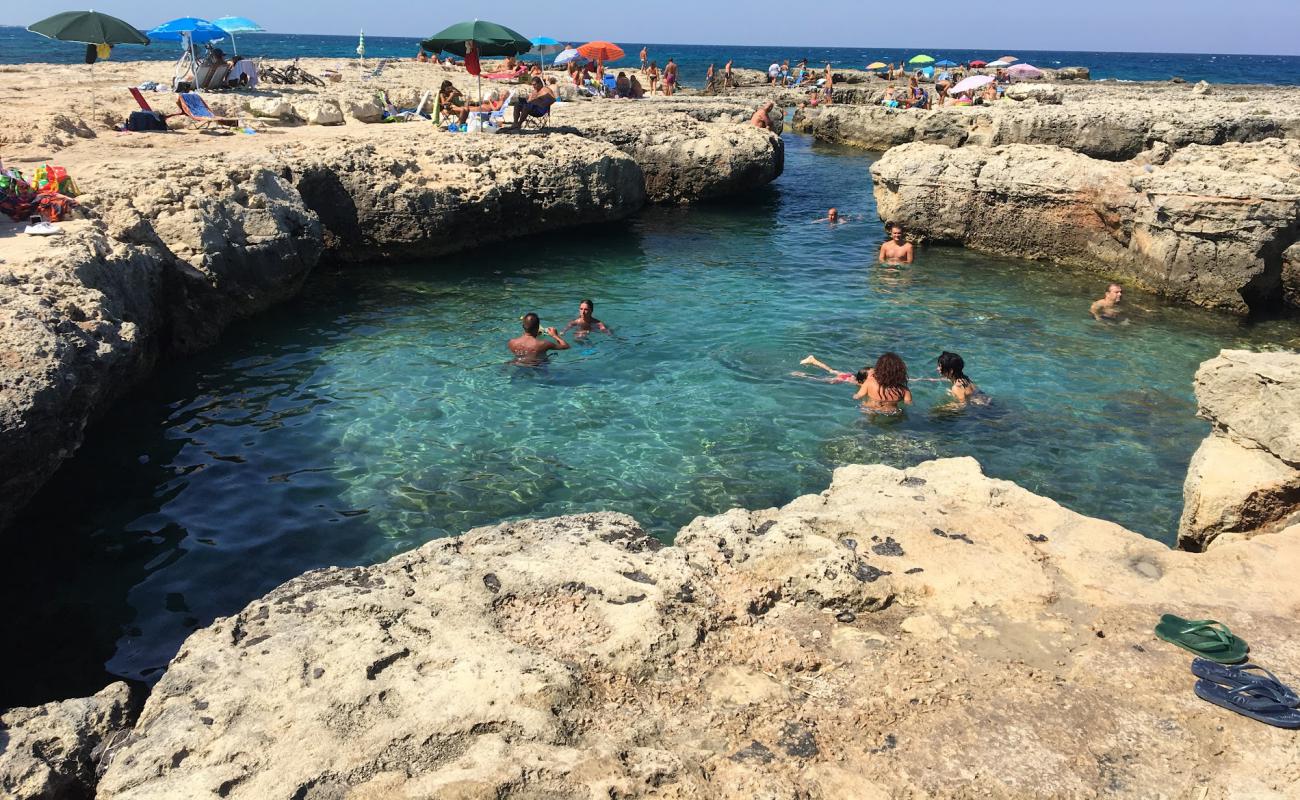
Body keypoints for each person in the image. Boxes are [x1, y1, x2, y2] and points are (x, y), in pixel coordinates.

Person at [799, 355, 867, 385]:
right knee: (821, 380)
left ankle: (814, 361)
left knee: (830, 370)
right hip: (844, 379)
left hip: (849, 375)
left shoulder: (860, 377)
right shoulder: (862, 382)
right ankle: (803, 375)